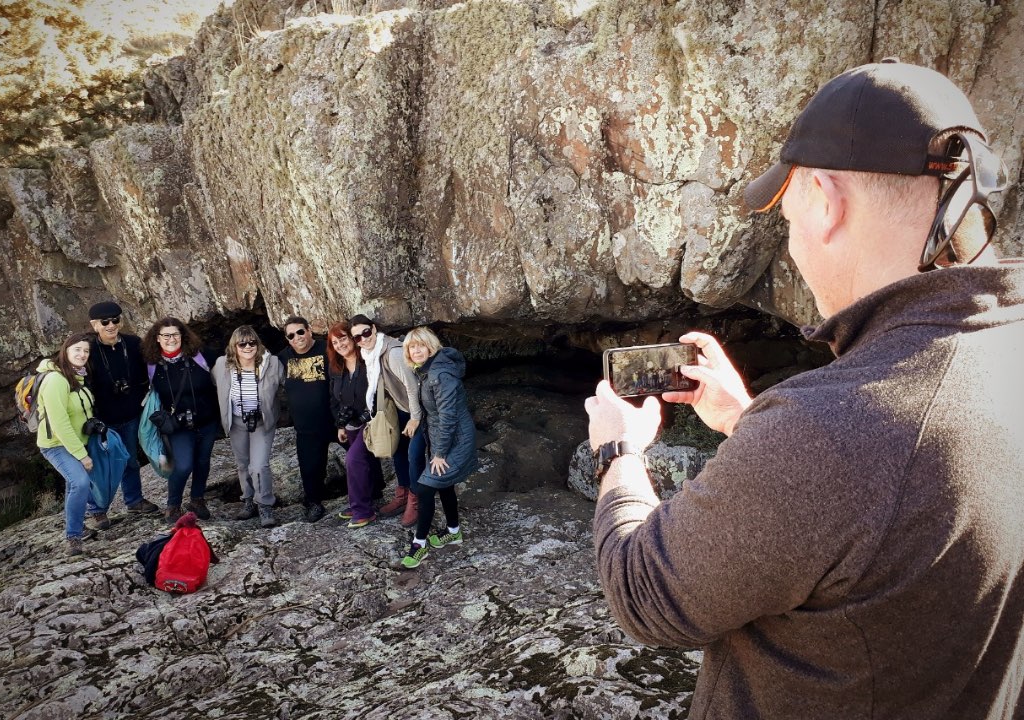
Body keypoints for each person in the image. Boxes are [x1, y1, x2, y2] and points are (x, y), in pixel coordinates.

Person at [586, 60, 1023, 719]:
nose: (790, 244)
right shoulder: (1005, 347)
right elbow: (877, 503)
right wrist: (751, 419)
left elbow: (646, 591)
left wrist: (618, 454)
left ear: (825, 200)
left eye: (787, 217)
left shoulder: (829, 431)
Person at [398, 327, 477, 569]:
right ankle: (453, 531)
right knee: (444, 485)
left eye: (421, 345)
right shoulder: (427, 371)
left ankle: (419, 543)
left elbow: (448, 416)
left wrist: (440, 453)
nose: (417, 350)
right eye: (412, 346)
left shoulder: (440, 374)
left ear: (431, 346)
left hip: (456, 440)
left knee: (424, 488)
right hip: (441, 438)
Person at [84, 300, 159, 528]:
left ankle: (134, 500)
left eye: (115, 320)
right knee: (98, 465)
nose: (111, 325)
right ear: (94, 325)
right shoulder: (88, 350)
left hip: (130, 415)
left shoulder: (133, 343)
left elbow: (153, 365)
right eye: (104, 322)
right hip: (102, 420)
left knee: (130, 460)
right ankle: (96, 511)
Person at [349, 314, 425, 527]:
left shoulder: (392, 352)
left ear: (373, 329)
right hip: (400, 408)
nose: (363, 339)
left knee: (414, 455)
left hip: (416, 410)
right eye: (357, 337)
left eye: (366, 332)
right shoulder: (369, 354)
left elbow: (412, 386)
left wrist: (415, 417)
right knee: (399, 452)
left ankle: (415, 499)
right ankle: (402, 494)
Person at [141, 317, 219, 524]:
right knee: (183, 465)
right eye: (166, 335)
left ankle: (197, 499)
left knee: (202, 461)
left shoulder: (201, 356)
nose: (171, 339)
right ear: (157, 338)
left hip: (207, 420)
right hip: (177, 426)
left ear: (182, 335)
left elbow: (229, 364)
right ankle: (173, 504)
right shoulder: (151, 365)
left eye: (175, 334)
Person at [213, 325, 284, 528]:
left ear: (258, 344)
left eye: (252, 342)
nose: (247, 346)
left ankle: (264, 505)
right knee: (243, 464)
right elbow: (211, 382)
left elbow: (288, 384)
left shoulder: (272, 364)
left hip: (262, 422)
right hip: (236, 422)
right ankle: (248, 500)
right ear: (234, 346)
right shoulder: (222, 365)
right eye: (242, 343)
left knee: (259, 465)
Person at [36, 332, 98, 556]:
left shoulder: (76, 376)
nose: (82, 354)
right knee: (80, 482)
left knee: (75, 484)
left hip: (76, 442)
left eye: (86, 351)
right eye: (77, 350)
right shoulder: (56, 380)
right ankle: (73, 537)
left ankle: (80, 524)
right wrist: (82, 455)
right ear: (65, 351)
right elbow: (59, 422)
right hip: (56, 444)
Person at [278, 316, 335, 523]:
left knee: (362, 455)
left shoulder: (327, 349)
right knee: (310, 469)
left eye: (300, 332)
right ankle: (313, 503)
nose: (297, 337)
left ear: (309, 330)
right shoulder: (283, 358)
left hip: (334, 420)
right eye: (291, 335)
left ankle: (374, 493)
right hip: (306, 426)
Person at [327, 322, 383, 528]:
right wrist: (340, 424)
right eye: (335, 342)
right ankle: (367, 498)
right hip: (350, 423)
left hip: (371, 421)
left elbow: (379, 392)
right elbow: (335, 399)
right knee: (364, 462)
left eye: (343, 338)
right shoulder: (337, 368)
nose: (340, 344)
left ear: (352, 338)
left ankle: (362, 510)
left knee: (353, 459)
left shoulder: (368, 361)